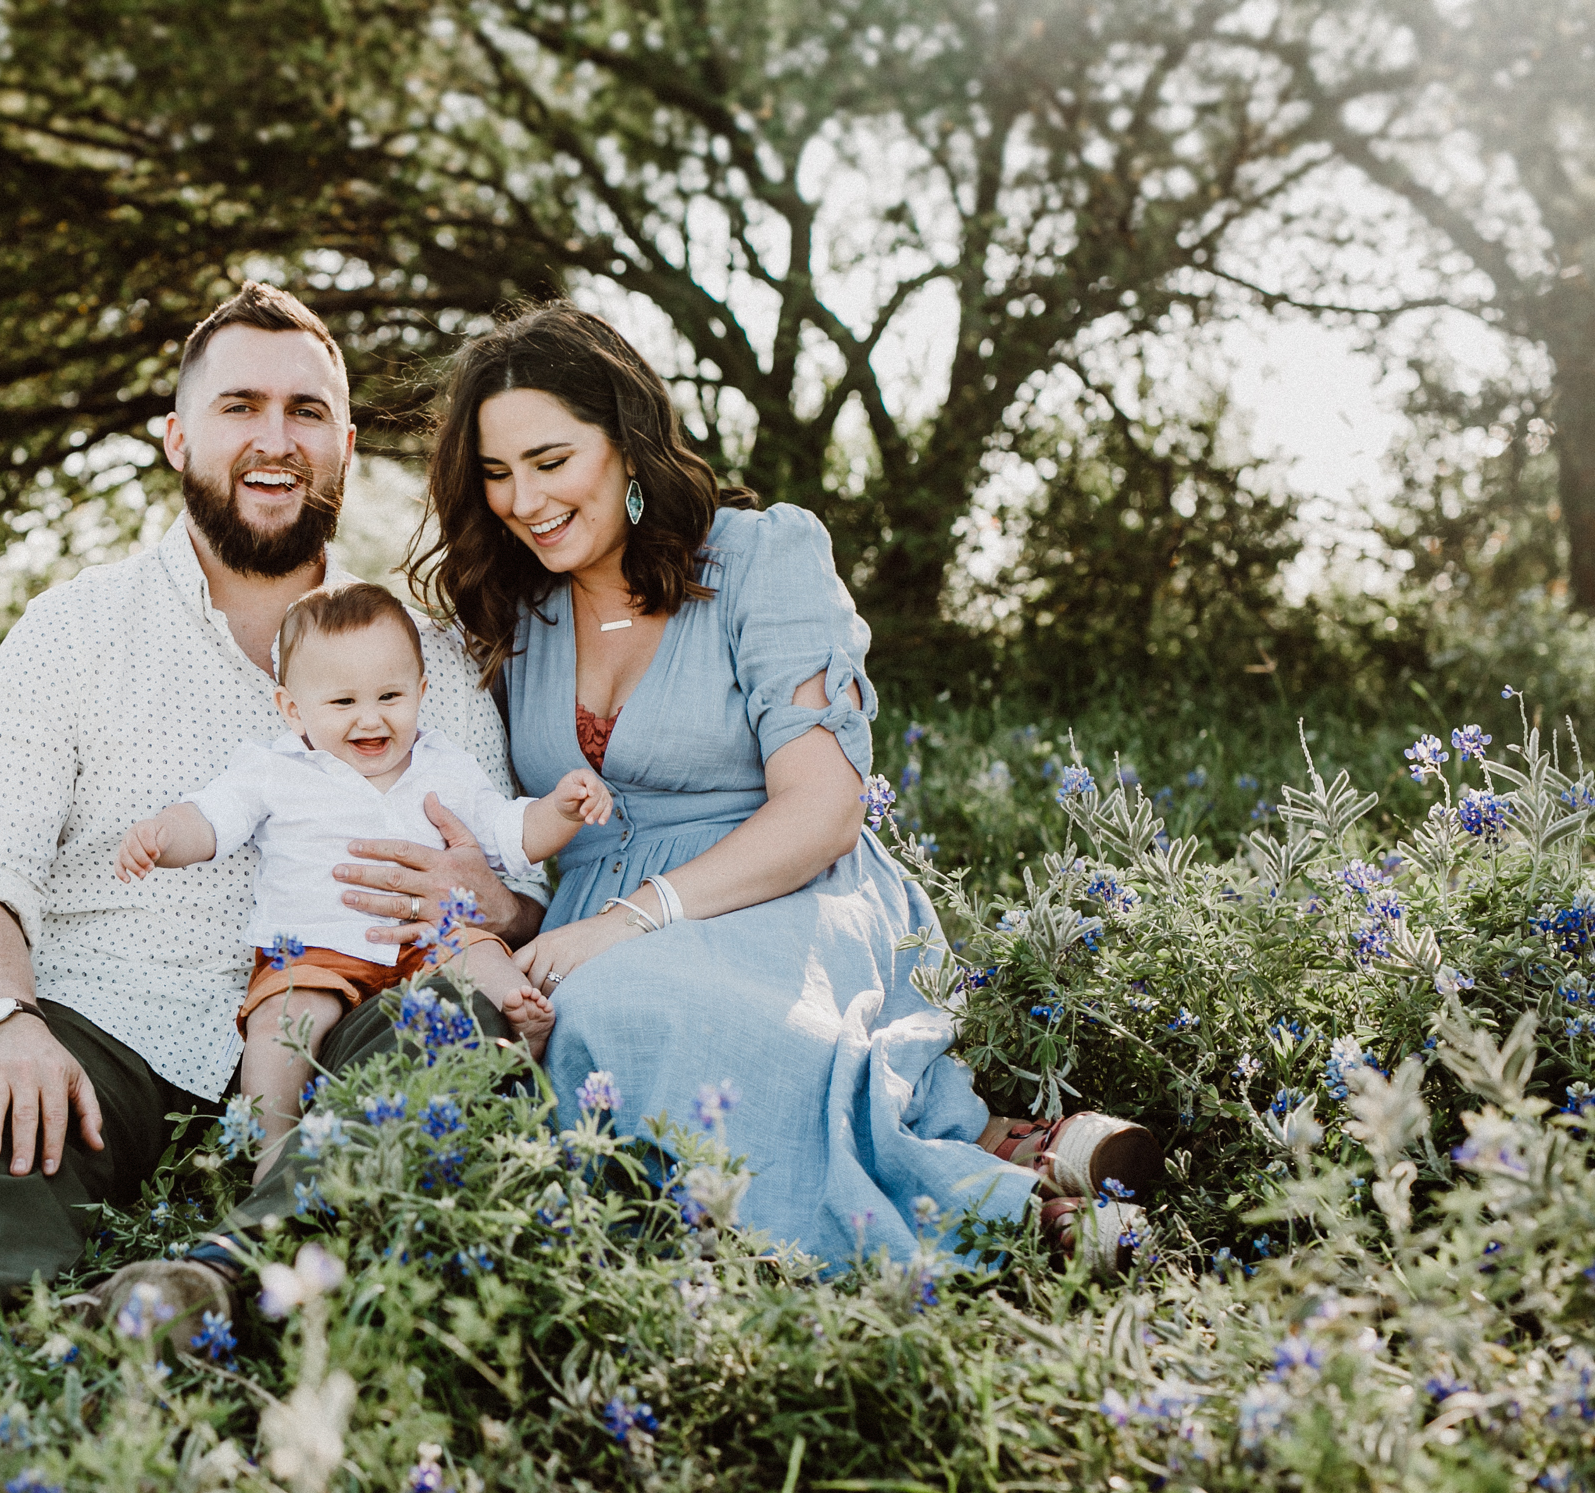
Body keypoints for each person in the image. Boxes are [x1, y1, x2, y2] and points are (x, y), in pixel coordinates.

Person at [0, 282, 543, 1388]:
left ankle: (207, 1288)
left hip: (346, 1003)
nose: (275, 440)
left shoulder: (421, 651)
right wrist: (6, 1019)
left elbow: (516, 882)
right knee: (0, 1122)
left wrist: (495, 902)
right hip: (117, 1017)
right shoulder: (74, 629)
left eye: (307, 412)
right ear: (177, 437)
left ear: (347, 447)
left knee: (456, 1029)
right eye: (240, 407)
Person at [406, 302, 1162, 1270]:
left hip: (781, 885)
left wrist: (633, 920)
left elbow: (823, 806)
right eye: (496, 474)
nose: (522, 499)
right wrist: (507, 901)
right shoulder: (514, 607)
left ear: (627, 444)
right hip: (590, 916)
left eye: (550, 461)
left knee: (626, 1009)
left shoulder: (759, 558)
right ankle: (1001, 1145)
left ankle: (1001, 1219)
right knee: (532, 1023)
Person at [116, 581, 611, 1165]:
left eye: (390, 696)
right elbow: (212, 821)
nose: (370, 719)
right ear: (292, 709)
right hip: (309, 949)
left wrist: (560, 809)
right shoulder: (275, 769)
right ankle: (269, 1151)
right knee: (280, 1023)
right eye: (343, 703)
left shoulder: (444, 764)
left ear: (422, 691)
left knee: (478, 952)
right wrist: (163, 836)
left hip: (429, 938)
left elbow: (510, 834)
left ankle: (517, 1025)